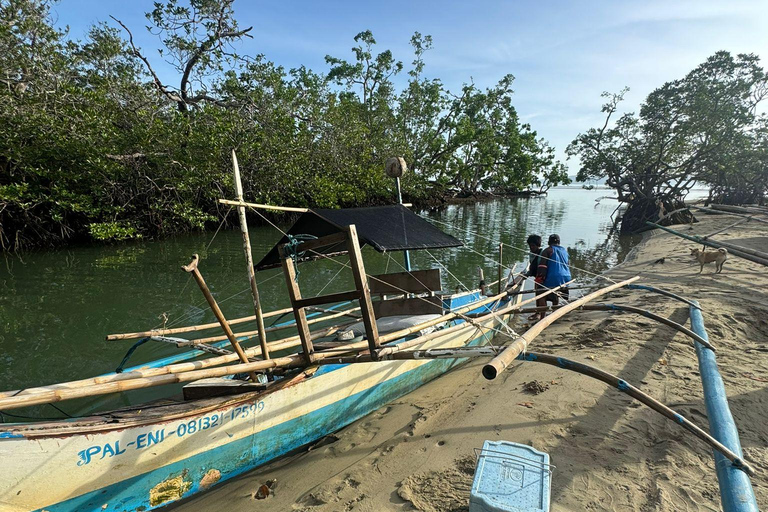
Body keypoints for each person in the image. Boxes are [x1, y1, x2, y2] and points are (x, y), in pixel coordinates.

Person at [534, 234, 572, 319]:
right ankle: (554, 314)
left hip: (554, 277)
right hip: (566, 278)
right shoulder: (565, 251)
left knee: (541, 292)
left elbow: (542, 267)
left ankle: (542, 317)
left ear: (548, 242)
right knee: (556, 293)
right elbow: (568, 265)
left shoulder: (547, 250)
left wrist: (539, 280)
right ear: (559, 242)